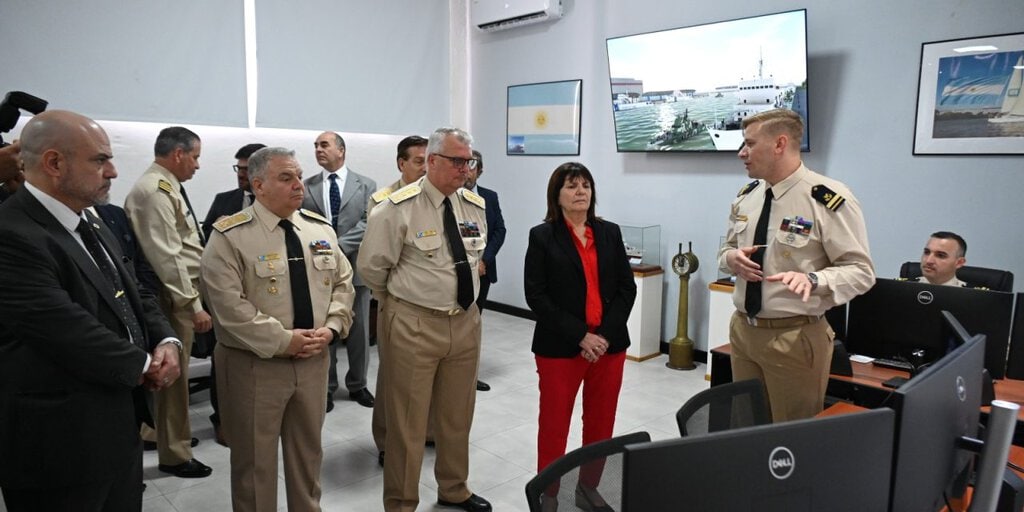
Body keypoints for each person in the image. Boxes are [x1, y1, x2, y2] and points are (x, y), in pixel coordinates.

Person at [0, 110, 181, 510]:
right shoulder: (12, 233)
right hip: (57, 445)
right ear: (54, 163)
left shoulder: (93, 221)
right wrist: (144, 364)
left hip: (116, 427)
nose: (113, 171)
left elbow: (133, 291)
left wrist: (165, 339)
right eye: (100, 160)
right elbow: (63, 328)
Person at [201, 147, 355, 512]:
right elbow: (228, 308)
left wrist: (332, 329)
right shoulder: (230, 236)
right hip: (255, 366)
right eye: (287, 178)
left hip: (314, 361)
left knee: (308, 456)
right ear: (258, 185)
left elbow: (343, 283)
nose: (299, 185)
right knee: (255, 463)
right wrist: (286, 341)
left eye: (299, 176)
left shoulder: (319, 230)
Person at [358, 127, 491, 512]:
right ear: (432, 161)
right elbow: (371, 270)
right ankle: (401, 501)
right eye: (458, 161)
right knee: (407, 423)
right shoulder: (396, 208)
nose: (466, 169)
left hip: (465, 323)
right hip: (415, 323)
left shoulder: (472, 206)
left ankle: (454, 488)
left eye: (469, 162)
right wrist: (402, 305)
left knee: (456, 416)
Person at [718, 109, 874, 422]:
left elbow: (861, 272)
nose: (741, 154)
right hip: (744, 332)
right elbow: (726, 249)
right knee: (744, 427)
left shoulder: (826, 198)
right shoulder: (747, 196)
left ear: (779, 144)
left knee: (788, 441)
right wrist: (731, 259)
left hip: (794, 336)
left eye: (749, 144)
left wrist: (814, 280)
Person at [524, 162, 636, 512]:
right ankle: (550, 493)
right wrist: (581, 336)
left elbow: (625, 289)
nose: (581, 192)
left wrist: (601, 336)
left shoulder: (609, 232)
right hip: (560, 348)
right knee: (554, 426)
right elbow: (536, 295)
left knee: (601, 424)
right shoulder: (542, 236)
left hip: (608, 346)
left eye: (586, 185)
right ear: (556, 195)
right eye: (572, 186)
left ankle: (588, 487)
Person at [124, 126, 213, 478]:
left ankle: (156, 432)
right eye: (195, 157)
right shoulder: (154, 190)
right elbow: (168, 256)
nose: (197, 165)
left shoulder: (166, 185)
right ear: (178, 154)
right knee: (173, 377)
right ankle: (174, 454)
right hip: (172, 293)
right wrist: (193, 305)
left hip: (176, 289)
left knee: (168, 376)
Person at [302, 131, 376, 411]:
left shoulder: (366, 185)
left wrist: (338, 246)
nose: (318, 150)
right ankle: (327, 387)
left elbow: (370, 220)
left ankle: (358, 385)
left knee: (358, 333)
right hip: (319, 272)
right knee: (325, 330)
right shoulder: (307, 186)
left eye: (324, 145)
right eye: (316, 146)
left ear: (341, 150)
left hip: (355, 269)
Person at [198, 142, 265, 445]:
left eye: (246, 168)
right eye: (237, 168)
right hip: (226, 298)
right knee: (223, 362)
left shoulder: (284, 206)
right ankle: (222, 419)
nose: (240, 174)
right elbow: (207, 248)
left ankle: (261, 417)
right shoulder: (224, 201)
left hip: (265, 297)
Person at [368, 134, 429, 467]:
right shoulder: (385, 200)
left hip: (431, 308)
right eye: (418, 161)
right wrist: (387, 298)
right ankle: (387, 440)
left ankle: (425, 434)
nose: (424, 168)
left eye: (428, 160)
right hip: (397, 303)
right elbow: (376, 262)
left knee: (429, 379)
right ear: (401, 164)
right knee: (393, 379)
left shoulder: (438, 198)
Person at [463, 149, 506, 392]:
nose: (466, 169)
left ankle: (469, 375)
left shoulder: (490, 197)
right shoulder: (450, 197)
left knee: (474, 324)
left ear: (480, 170)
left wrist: (485, 261)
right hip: (457, 272)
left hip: (482, 270)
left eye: (472, 165)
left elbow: (499, 231)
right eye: (463, 163)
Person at [201, 143, 266, 240]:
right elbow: (204, 237)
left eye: (246, 169)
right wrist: (219, 227)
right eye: (239, 168)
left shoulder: (278, 201)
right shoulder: (222, 200)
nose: (240, 174)